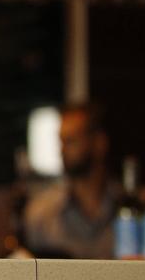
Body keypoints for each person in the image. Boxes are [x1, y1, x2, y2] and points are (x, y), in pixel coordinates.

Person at [21, 103, 119, 259]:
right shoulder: (40, 215)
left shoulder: (129, 208)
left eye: (71, 141)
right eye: (61, 141)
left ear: (99, 143)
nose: (62, 150)